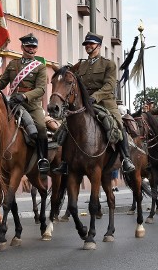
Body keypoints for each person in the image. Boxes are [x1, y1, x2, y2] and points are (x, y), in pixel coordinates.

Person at [53, 32, 136, 174]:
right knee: (66, 126)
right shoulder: (81, 65)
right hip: (84, 104)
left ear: (99, 45)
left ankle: (126, 159)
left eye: (91, 44)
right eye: (86, 44)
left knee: (117, 124)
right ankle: (65, 162)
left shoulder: (108, 64)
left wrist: (95, 97)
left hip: (105, 102)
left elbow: (110, 85)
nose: (88, 46)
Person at [0, 33, 49, 173]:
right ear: (22, 47)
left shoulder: (40, 67)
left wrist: (25, 96)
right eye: (28, 46)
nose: (31, 49)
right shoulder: (13, 64)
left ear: (36, 49)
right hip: (12, 103)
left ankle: (43, 158)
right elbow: (1, 84)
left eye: (33, 47)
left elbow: (41, 89)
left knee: (41, 127)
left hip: (31, 105)